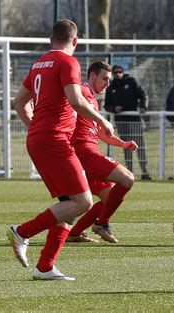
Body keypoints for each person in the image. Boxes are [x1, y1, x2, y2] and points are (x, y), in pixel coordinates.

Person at [8, 19, 114, 281]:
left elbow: (19, 101)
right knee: (84, 201)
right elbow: (76, 100)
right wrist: (101, 120)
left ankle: (45, 266)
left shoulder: (38, 63)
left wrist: (35, 127)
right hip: (54, 140)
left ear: (50, 39)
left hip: (40, 140)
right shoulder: (68, 62)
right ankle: (22, 231)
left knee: (68, 204)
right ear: (75, 41)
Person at [66, 61, 137, 244]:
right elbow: (65, 97)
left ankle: (75, 233)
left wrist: (123, 144)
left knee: (109, 198)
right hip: (84, 153)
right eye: (104, 78)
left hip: (89, 152)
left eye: (109, 80)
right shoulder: (81, 90)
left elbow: (99, 132)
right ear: (92, 76)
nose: (107, 83)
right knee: (127, 178)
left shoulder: (93, 99)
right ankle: (101, 224)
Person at [104, 65, 151, 180]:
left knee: (140, 146)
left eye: (120, 72)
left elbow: (143, 95)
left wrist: (144, 106)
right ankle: (130, 171)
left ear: (123, 72)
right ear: (113, 74)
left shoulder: (131, 82)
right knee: (126, 146)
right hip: (122, 122)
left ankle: (145, 171)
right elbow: (107, 105)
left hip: (135, 120)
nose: (118, 74)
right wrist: (114, 108)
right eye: (115, 72)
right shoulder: (111, 87)